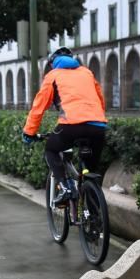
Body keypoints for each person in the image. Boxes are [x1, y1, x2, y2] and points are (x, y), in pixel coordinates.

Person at [22, 47, 107, 205]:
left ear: (53, 62)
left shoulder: (53, 75)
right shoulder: (86, 72)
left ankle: (66, 187)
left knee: (51, 149)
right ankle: (95, 214)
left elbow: (39, 106)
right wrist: (97, 118)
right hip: (97, 125)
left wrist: (29, 132)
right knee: (91, 171)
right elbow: (100, 99)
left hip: (71, 125)